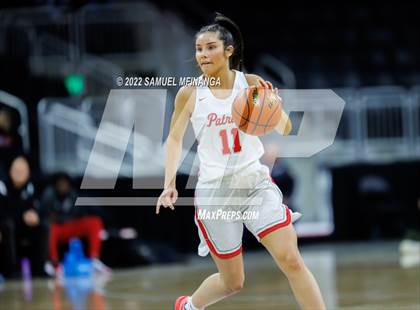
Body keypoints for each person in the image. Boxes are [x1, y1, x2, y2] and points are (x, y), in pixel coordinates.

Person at [156, 13, 326, 310]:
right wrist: (168, 184)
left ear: (228, 51)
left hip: (255, 184)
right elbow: (173, 139)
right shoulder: (190, 93)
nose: (203, 54)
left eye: (210, 47)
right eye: (199, 49)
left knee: (292, 260)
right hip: (215, 192)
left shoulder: (250, 84)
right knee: (233, 282)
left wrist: (274, 106)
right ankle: (188, 306)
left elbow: (285, 128)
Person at [40, 172, 111, 276]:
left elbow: (77, 214)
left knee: (95, 222)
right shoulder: (49, 195)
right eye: (60, 183)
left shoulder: (72, 194)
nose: (62, 186)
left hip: (71, 227)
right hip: (58, 229)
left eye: (65, 183)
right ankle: (54, 264)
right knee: (50, 228)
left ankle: (94, 261)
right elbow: (46, 217)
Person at [0, 155, 47, 277]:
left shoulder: (30, 187)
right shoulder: (2, 187)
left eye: (23, 171)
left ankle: (40, 270)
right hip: (5, 227)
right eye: (17, 170)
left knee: (42, 226)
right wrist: (22, 215)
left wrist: (35, 215)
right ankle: (11, 271)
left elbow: (37, 207)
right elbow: (4, 213)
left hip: (22, 226)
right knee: (8, 225)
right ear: (10, 171)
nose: (20, 173)